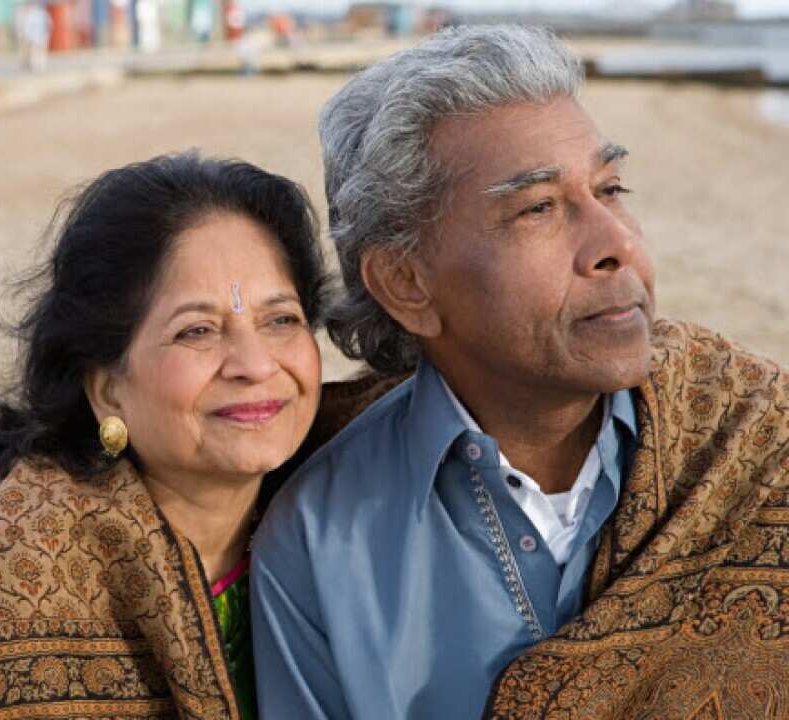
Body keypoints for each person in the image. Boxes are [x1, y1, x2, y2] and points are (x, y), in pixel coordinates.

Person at [252, 25, 788, 719]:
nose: (618, 244)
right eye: (538, 208)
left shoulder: (756, 446)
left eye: (611, 187)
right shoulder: (319, 544)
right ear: (406, 283)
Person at [0, 152, 329, 720]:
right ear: (107, 390)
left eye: (281, 320)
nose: (254, 364)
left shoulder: (345, 503)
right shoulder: (24, 558)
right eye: (197, 330)